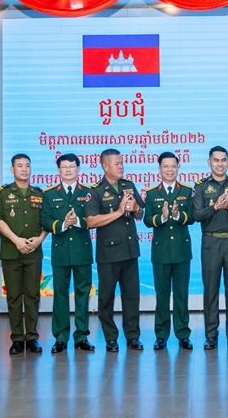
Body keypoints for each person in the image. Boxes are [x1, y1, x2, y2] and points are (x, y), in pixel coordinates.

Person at [84, 148, 145, 352]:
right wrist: (119, 212)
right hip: (108, 254)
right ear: (105, 166)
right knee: (106, 298)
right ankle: (111, 338)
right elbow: (91, 221)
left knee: (132, 297)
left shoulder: (129, 185)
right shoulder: (95, 191)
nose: (121, 167)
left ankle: (133, 337)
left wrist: (136, 209)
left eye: (122, 163)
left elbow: (140, 214)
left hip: (130, 251)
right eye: (117, 163)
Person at [0, 153, 47, 355]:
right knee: (14, 297)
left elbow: (47, 221)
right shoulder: (3, 194)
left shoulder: (39, 194)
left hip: (33, 252)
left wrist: (39, 239)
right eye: (19, 165)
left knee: (32, 296)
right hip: (11, 252)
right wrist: (17, 240)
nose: (24, 169)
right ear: (12, 169)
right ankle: (16, 338)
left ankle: (32, 337)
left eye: (27, 165)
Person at [192, 146, 228, 350]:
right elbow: (197, 215)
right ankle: (211, 335)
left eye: (223, 160)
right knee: (211, 291)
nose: (220, 164)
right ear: (209, 163)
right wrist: (215, 207)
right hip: (211, 243)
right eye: (216, 160)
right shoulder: (200, 187)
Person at [41, 153, 95, 354]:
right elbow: (45, 221)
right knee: (60, 295)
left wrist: (78, 221)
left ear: (78, 169)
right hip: (61, 251)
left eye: (72, 166)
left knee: (83, 294)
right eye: (64, 167)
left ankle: (81, 336)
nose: (68, 170)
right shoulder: (49, 194)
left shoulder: (88, 193)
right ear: (58, 170)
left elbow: (94, 218)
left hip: (82, 251)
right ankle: (61, 337)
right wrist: (63, 224)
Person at [143, 152, 195, 351]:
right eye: (166, 166)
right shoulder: (152, 193)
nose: (170, 170)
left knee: (182, 294)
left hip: (182, 251)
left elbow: (192, 217)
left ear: (178, 167)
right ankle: (161, 335)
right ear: (159, 169)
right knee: (162, 295)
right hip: (161, 252)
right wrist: (163, 217)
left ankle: (183, 334)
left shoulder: (187, 191)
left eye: (173, 166)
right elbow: (147, 220)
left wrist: (178, 215)